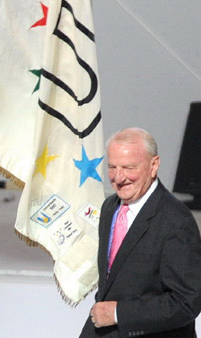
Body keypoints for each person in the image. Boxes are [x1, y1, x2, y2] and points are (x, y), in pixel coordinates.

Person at [80, 127, 201, 338]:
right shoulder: (110, 207)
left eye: (128, 167)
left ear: (154, 165)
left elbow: (187, 302)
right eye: (112, 167)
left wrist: (119, 313)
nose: (118, 177)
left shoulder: (176, 221)